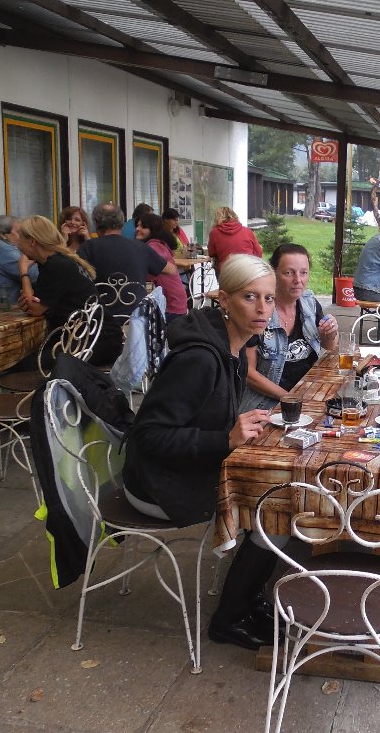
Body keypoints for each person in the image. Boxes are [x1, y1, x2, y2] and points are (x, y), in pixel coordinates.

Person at [122, 254, 279, 650]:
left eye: (268, 298)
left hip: (189, 467)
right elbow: (148, 436)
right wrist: (225, 440)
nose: (262, 309)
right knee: (276, 508)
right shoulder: (199, 359)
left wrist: (235, 430)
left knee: (282, 496)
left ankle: (249, 601)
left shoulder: (235, 348)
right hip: (158, 484)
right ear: (224, 300)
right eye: (249, 297)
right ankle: (229, 618)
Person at [239, 243, 339, 412]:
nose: (298, 280)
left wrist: (330, 333)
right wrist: (289, 397)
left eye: (303, 273)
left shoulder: (309, 303)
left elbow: (329, 346)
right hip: (266, 404)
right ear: (273, 273)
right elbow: (248, 373)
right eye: (289, 273)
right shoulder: (260, 311)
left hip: (309, 392)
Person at [14, 216, 121, 368]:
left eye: (20, 239)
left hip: (94, 342)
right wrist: (29, 301)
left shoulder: (56, 265)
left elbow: (35, 308)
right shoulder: (57, 261)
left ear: (32, 241)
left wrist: (23, 271)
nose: (18, 244)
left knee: (19, 366)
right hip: (94, 337)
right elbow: (35, 302)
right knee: (25, 359)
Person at [79, 203, 175, 322]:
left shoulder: (88, 248)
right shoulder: (140, 247)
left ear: (96, 223)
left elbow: (78, 280)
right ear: (121, 222)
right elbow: (170, 270)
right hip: (136, 320)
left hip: (99, 320)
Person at [135, 212, 187, 322]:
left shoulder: (153, 247)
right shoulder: (159, 243)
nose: (137, 229)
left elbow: (146, 275)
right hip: (177, 301)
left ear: (153, 229)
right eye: (137, 225)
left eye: (143, 226)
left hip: (170, 304)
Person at [207, 206, 261, 270]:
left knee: (217, 262)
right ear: (234, 216)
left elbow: (211, 253)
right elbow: (258, 252)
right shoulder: (247, 231)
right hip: (248, 268)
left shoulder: (214, 232)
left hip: (227, 269)